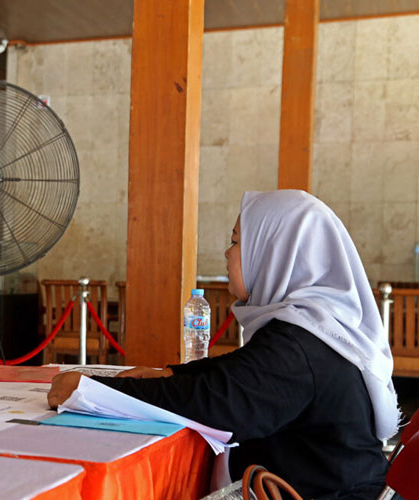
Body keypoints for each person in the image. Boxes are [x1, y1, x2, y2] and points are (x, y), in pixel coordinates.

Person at [48, 190, 400, 499]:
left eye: (236, 242)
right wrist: (169, 373)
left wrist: (91, 391)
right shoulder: (311, 327)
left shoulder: (299, 344)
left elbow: (217, 403)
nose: (228, 254)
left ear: (276, 252)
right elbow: (240, 371)